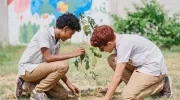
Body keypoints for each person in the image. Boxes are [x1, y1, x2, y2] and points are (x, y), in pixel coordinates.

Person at [90, 25, 173, 100]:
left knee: (127, 97)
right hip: (141, 65)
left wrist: (106, 98)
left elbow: (118, 75)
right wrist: (111, 89)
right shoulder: (117, 41)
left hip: (154, 68)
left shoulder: (123, 44)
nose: (101, 51)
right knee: (112, 59)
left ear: (109, 43)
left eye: (101, 48)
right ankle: (134, 88)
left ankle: (163, 84)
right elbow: (120, 73)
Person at [15, 13, 85, 100]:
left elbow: (56, 66)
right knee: (64, 65)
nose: (70, 37)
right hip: (28, 70)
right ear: (65, 29)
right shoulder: (44, 33)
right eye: (71, 33)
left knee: (62, 94)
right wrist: (72, 54)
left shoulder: (57, 42)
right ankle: (38, 90)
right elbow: (48, 58)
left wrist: (70, 85)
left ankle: (26, 85)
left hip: (39, 72)